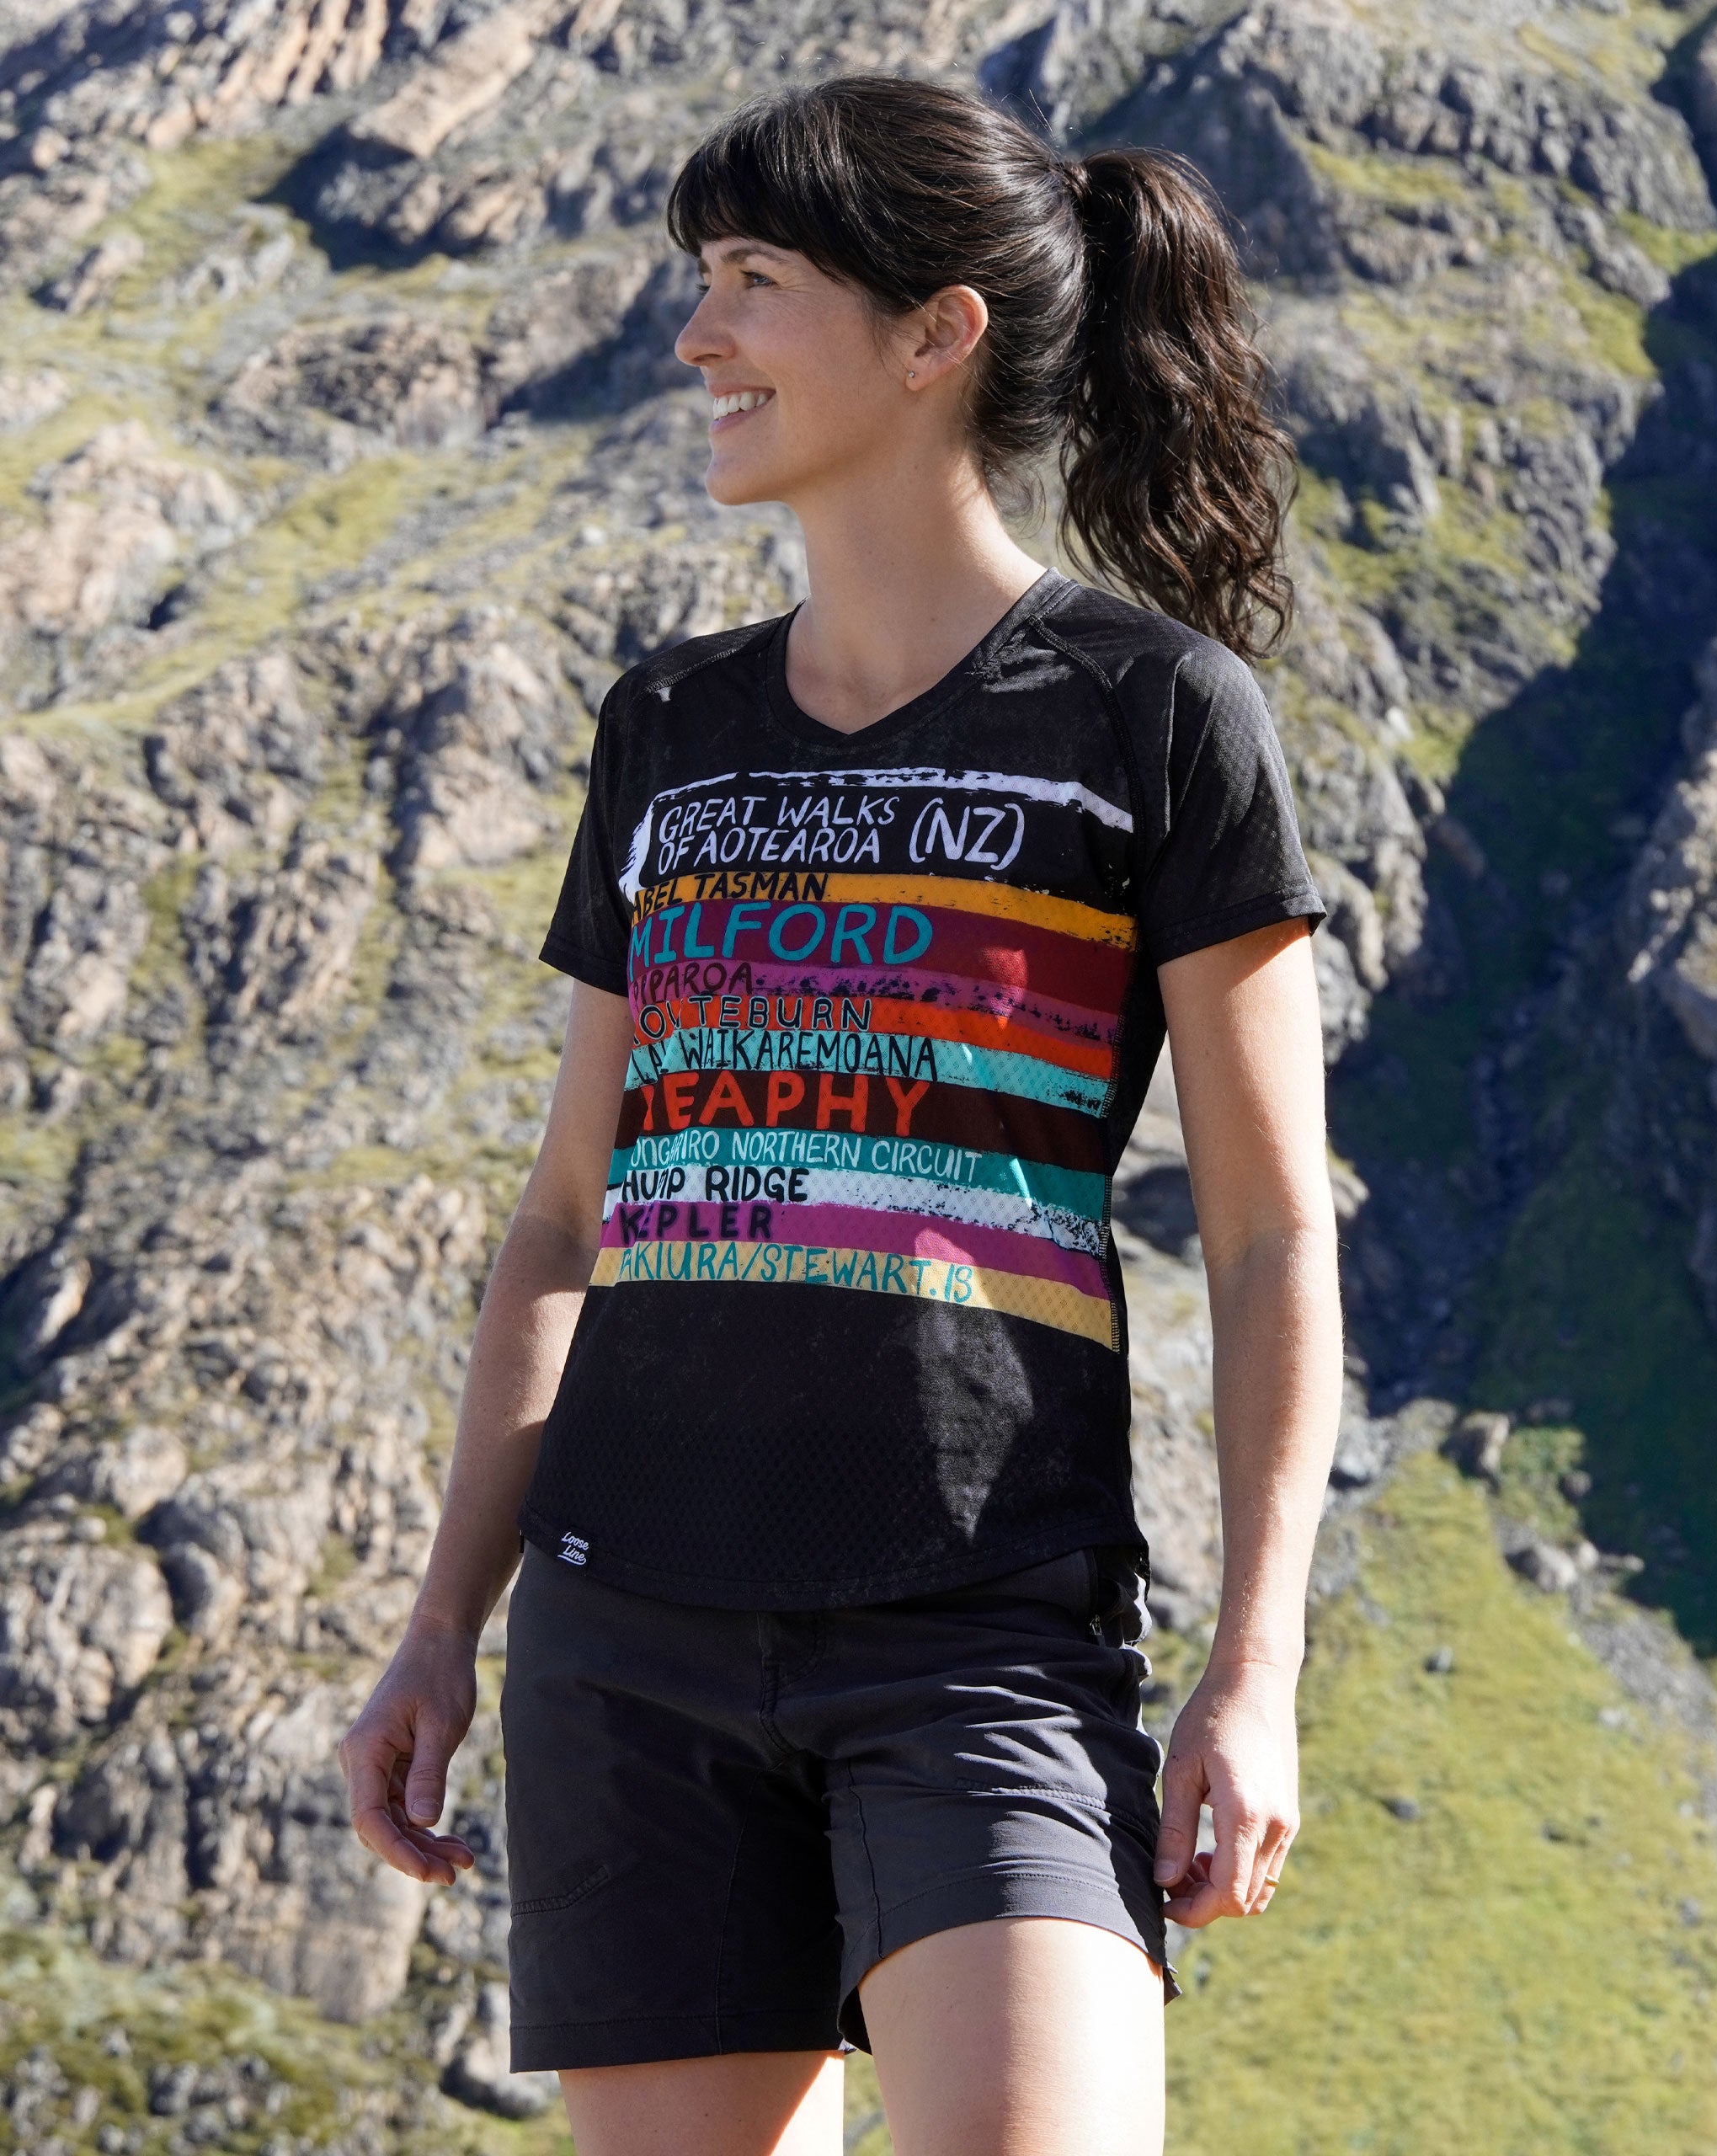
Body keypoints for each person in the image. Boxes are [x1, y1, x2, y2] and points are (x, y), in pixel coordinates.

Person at [339, 73, 1342, 2156]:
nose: (694, 335)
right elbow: (560, 1223)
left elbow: (1266, 1236)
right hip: (626, 1642)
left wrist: (1256, 1668)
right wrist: (445, 1617)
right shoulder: (671, 729)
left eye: (749, 282)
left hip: (983, 1626)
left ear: (933, 331)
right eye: (701, 279)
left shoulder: (1149, 711)